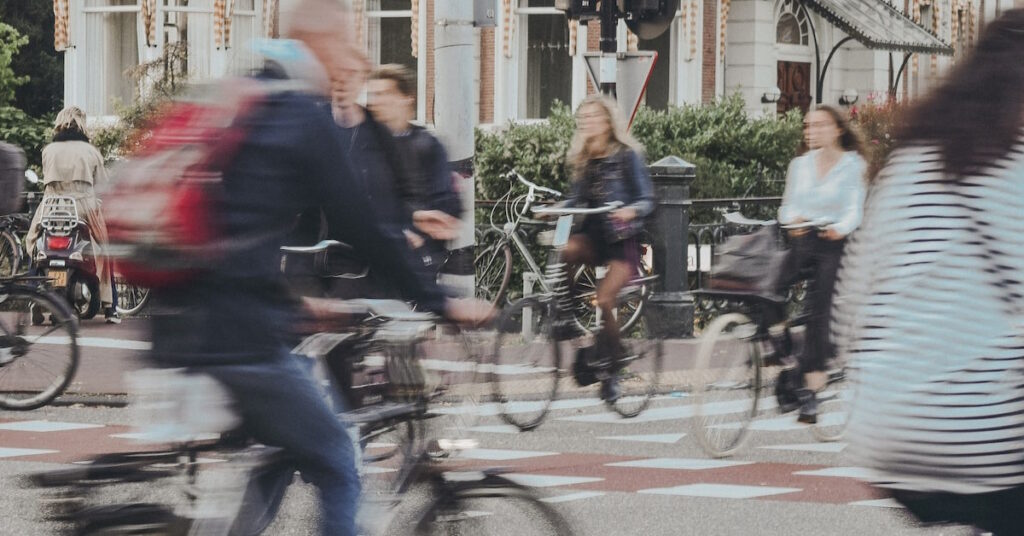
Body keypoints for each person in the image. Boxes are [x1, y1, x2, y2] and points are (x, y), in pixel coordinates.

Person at [147, 1, 489, 534]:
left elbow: (233, 228)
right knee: (339, 460)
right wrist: (443, 301)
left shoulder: (244, 96)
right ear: (321, 41)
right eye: (348, 40)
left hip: (187, 320)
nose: (354, 56)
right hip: (239, 334)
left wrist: (293, 304)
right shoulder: (302, 114)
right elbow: (366, 228)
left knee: (282, 449)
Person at [834, 10, 1024, 535]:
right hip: (982, 438)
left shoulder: (911, 164)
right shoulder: (1017, 169)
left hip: (887, 429)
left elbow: (851, 303)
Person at [776, 105, 866, 424]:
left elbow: (855, 208)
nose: (811, 131)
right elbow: (787, 207)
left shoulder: (853, 165)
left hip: (834, 243)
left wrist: (838, 228)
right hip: (804, 239)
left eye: (819, 125)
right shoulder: (799, 165)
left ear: (837, 129)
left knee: (820, 314)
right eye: (807, 126)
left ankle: (810, 392)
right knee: (773, 286)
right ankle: (779, 340)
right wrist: (793, 221)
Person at [562, 94, 654, 402]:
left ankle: (613, 372)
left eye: (593, 118)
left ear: (606, 122)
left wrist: (631, 211)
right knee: (567, 251)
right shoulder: (583, 159)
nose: (586, 123)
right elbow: (575, 202)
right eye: (582, 119)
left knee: (604, 298)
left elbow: (646, 199)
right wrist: (555, 209)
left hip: (621, 242)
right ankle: (566, 316)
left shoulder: (627, 156)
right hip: (593, 237)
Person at [27, 107, 120, 323]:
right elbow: (103, 186)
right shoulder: (92, 152)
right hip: (83, 208)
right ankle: (110, 307)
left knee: (35, 246)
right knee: (106, 250)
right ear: (82, 125)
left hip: (51, 208)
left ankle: (33, 298)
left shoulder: (48, 150)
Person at [367, 64, 462, 271]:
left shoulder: (427, 145)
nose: (375, 102)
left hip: (416, 258)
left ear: (406, 98)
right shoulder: (362, 144)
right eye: (372, 95)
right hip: (370, 257)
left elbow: (446, 201)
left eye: (384, 93)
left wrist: (419, 232)